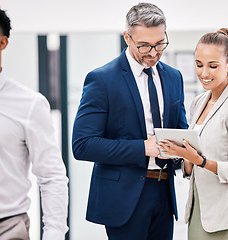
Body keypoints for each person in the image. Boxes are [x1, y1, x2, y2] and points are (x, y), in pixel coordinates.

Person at [72, 2, 188, 239]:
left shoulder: (174, 77)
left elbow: (180, 129)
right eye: (144, 45)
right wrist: (143, 148)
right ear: (127, 37)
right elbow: (82, 144)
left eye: (160, 44)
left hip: (165, 193)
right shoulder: (102, 80)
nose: (154, 53)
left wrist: (185, 148)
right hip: (122, 198)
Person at [159, 28, 228, 240]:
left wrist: (200, 161)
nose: (204, 73)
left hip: (226, 218)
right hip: (200, 212)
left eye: (213, 66)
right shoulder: (199, 102)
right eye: (199, 65)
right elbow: (194, 163)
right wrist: (186, 157)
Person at [0, 4, 69, 240]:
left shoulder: (29, 104)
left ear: (2, 43)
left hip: (5, 228)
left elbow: (52, 176)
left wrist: (54, 234)